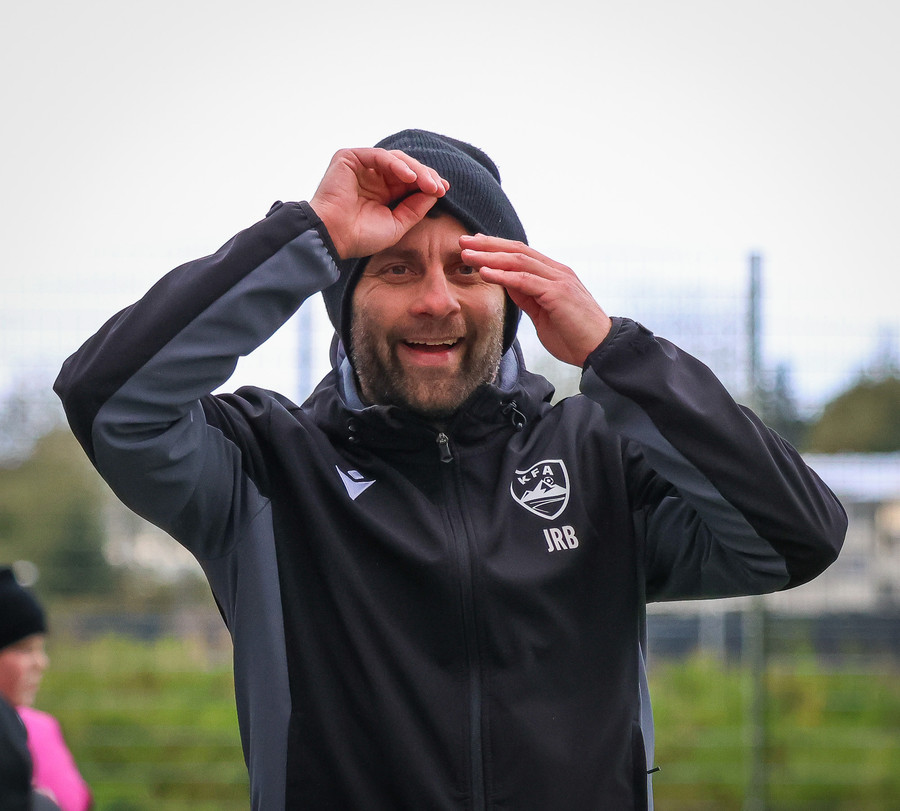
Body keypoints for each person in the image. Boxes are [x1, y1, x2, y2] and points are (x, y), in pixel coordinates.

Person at [54, 129, 847, 810]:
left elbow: (797, 535)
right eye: (396, 268)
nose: (437, 300)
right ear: (344, 298)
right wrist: (310, 233)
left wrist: (616, 351)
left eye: (467, 269)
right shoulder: (262, 467)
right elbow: (109, 400)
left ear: (513, 297)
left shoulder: (598, 455)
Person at [0, 567, 91, 811]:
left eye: (41, 649)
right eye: (24, 649)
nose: (41, 663)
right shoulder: (23, 732)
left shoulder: (32, 728)